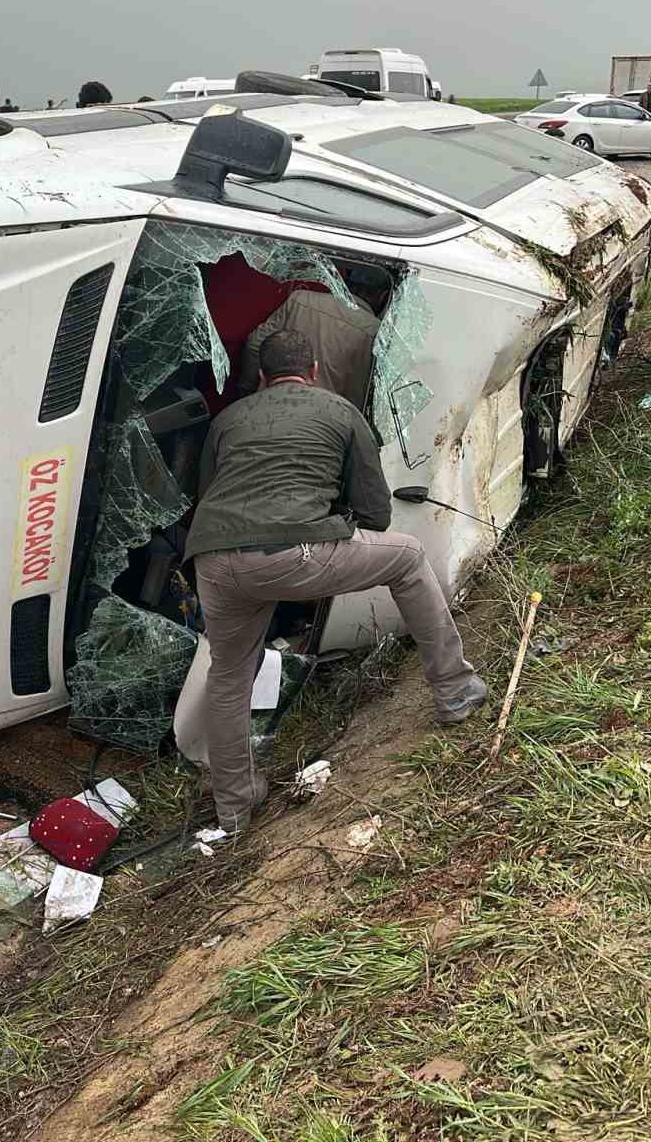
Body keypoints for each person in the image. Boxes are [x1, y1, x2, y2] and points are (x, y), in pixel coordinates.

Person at [185, 328, 486, 835]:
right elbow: (375, 513)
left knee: (229, 674)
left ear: (260, 377)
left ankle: (234, 808)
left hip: (214, 560)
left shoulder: (229, 419)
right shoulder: (341, 411)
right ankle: (455, 691)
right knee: (408, 557)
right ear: (315, 371)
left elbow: (209, 493)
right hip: (291, 554)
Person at [237, 267, 389, 412]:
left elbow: (255, 345)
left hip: (272, 404)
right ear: (382, 297)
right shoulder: (375, 332)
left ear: (342, 281)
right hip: (326, 425)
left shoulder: (300, 299)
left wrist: (249, 394)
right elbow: (363, 397)